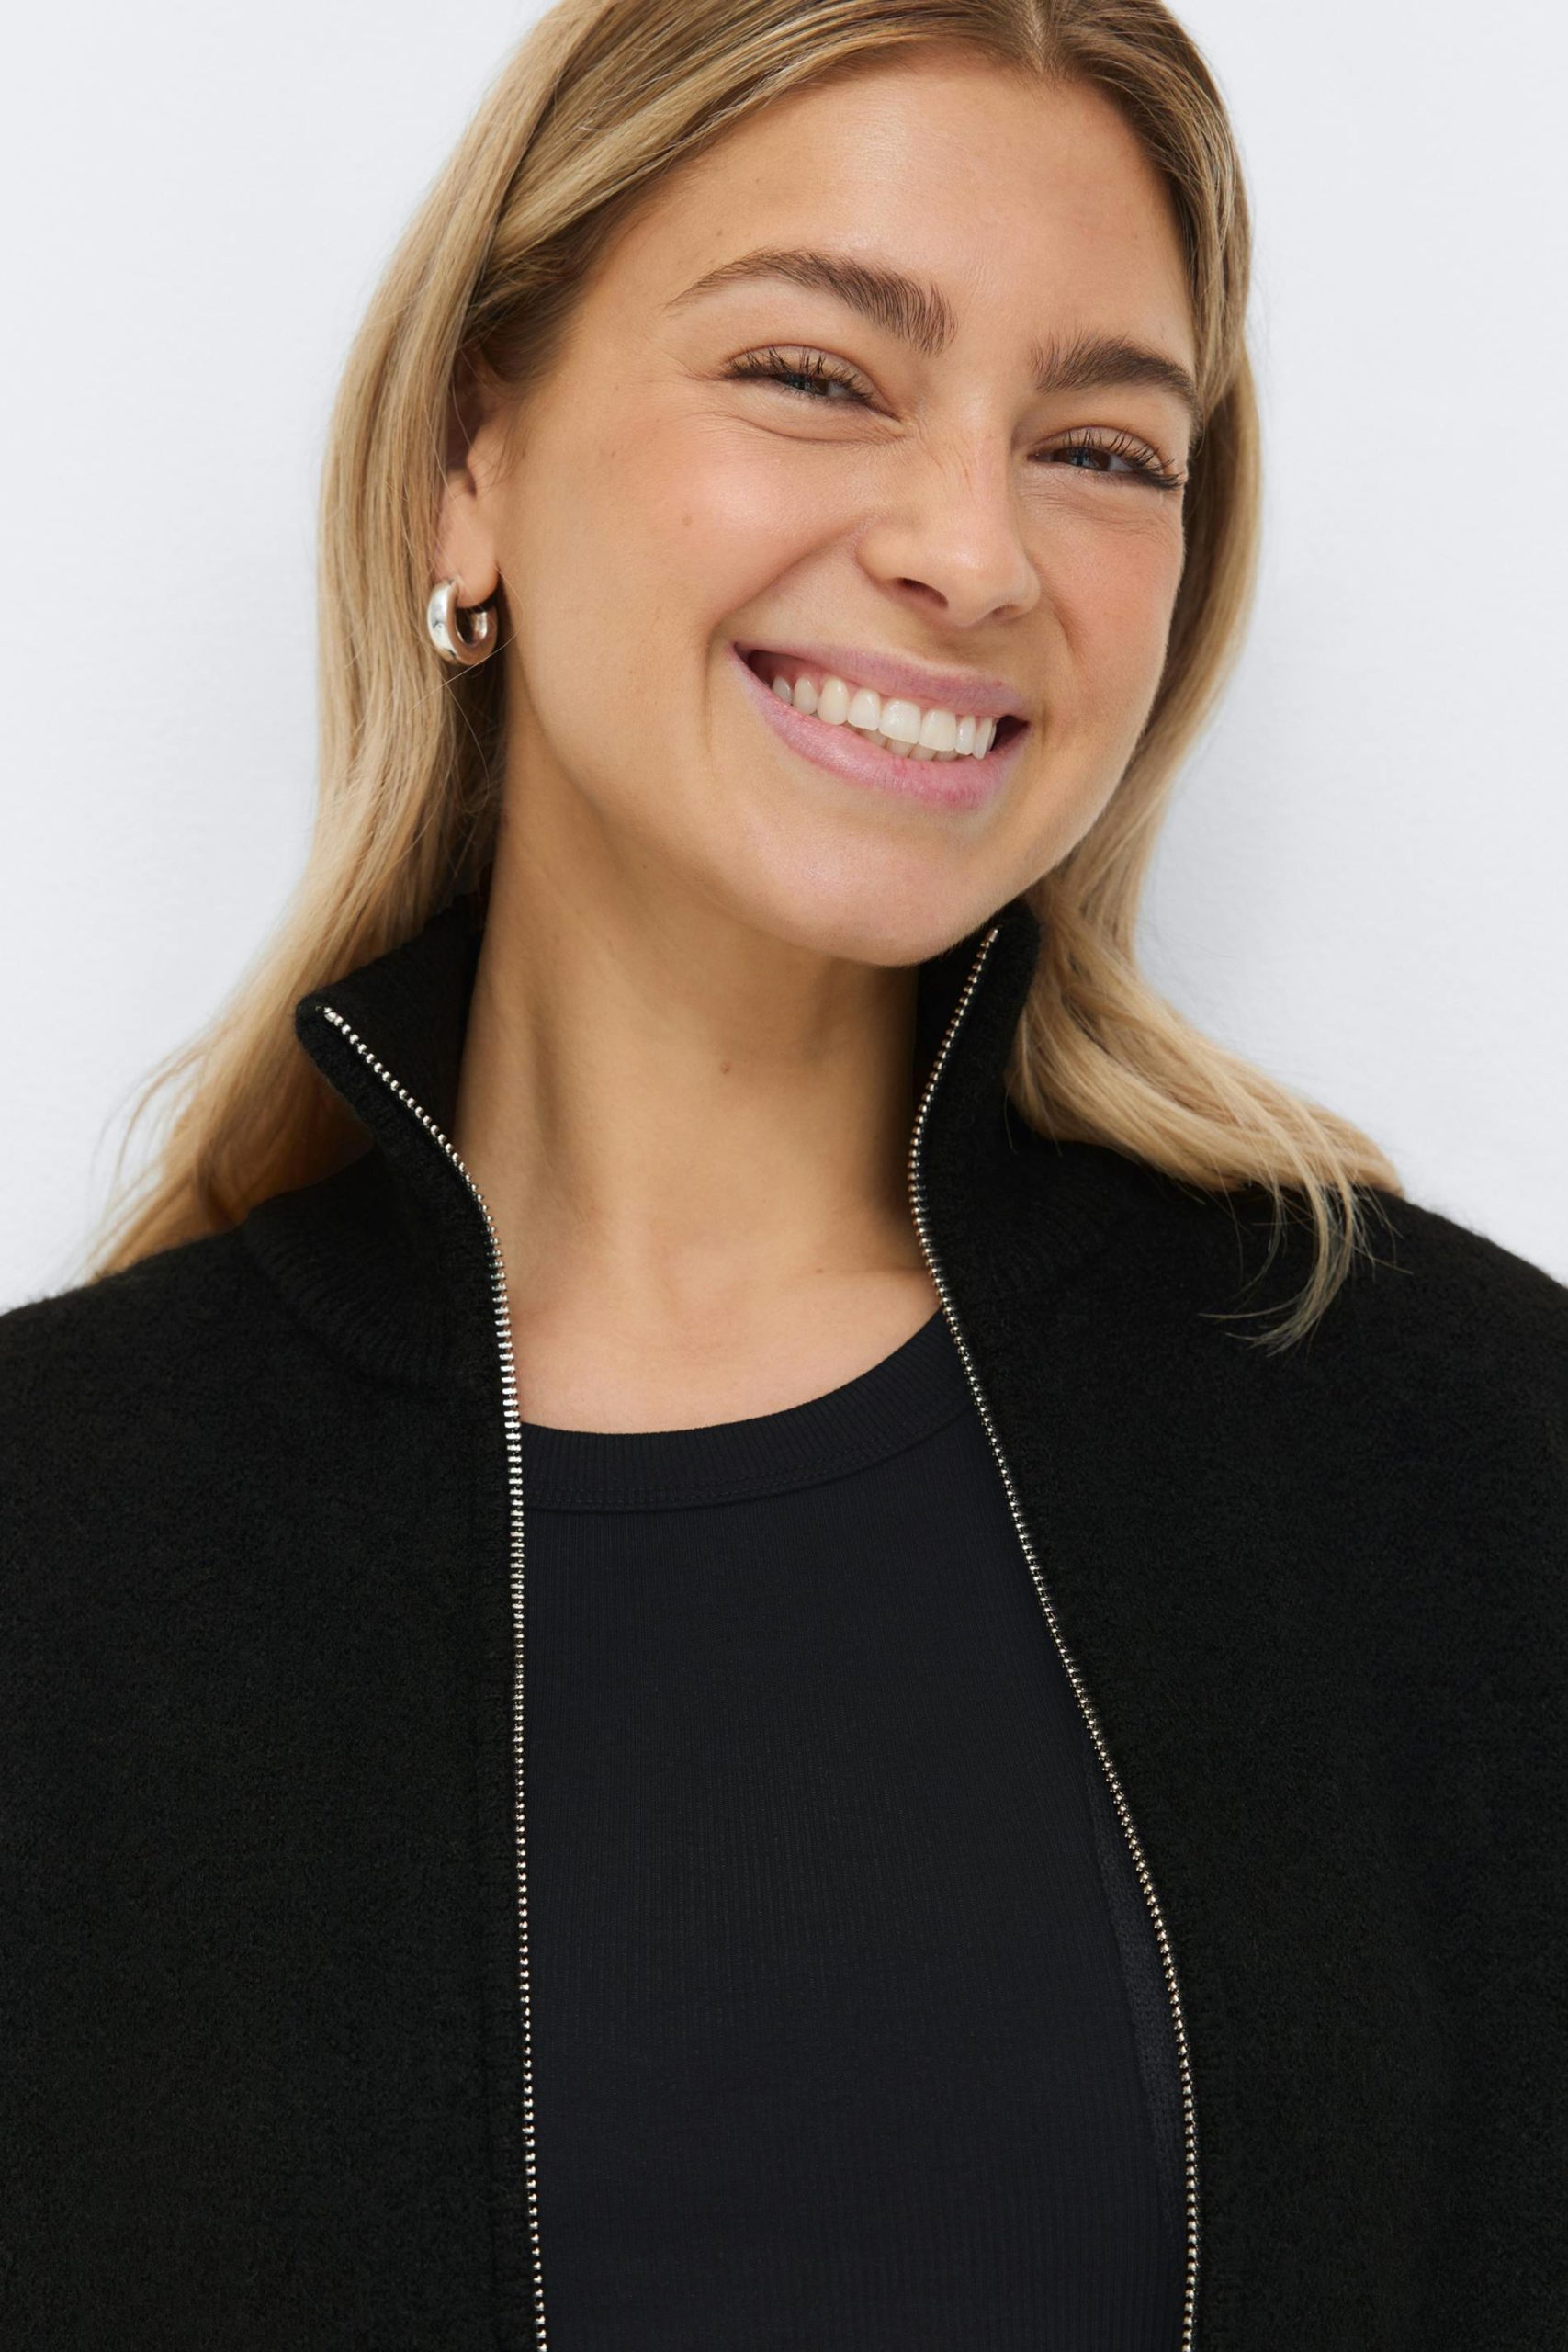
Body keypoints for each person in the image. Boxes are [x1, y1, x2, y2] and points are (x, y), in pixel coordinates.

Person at [3, 1, 1563, 2345]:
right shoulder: (60, 1528)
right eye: (817, 375)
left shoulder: (1459, 1456)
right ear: (466, 460)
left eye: (1099, 446)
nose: (971, 548)